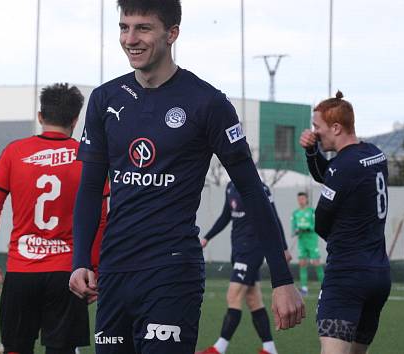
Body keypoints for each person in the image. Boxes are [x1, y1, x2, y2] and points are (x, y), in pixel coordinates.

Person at [68, 1, 304, 353]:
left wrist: (282, 280)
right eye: (124, 27)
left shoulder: (206, 103)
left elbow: (253, 191)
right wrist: (80, 261)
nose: (130, 38)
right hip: (114, 272)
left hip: (171, 271)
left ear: (172, 33)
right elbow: (89, 189)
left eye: (143, 28)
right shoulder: (105, 99)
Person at [0, 83, 107, 354]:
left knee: (15, 348)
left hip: (21, 272)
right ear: (75, 120)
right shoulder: (88, 158)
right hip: (67, 273)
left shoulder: (14, 152)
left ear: (40, 117)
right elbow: (102, 218)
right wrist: (92, 267)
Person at [299, 91, 391, 354]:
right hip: (379, 274)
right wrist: (311, 152)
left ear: (336, 127)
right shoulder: (375, 155)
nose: (314, 133)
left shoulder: (344, 167)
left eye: (318, 127)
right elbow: (330, 176)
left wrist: (341, 238)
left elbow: (321, 221)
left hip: (347, 275)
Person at [196, 181, 292, 354]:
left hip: (253, 249)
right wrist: (207, 237)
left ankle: (219, 348)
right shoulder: (230, 187)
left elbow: (273, 218)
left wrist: (283, 247)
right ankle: (270, 349)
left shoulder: (259, 188)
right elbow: (226, 216)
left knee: (233, 295)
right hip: (238, 249)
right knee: (253, 299)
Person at [291, 191, 324, 296]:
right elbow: (293, 228)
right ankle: (304, 288)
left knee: (316, 263)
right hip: (302, 241)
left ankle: (325, 287)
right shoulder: (295, 213)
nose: (301, 201)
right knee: (302, 263)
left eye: (303, 198)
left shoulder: (312, 211)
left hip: (311, 241)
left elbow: (316, 226)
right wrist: (296, 231)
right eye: (299, 199)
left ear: (307, 200)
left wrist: (305, 228)